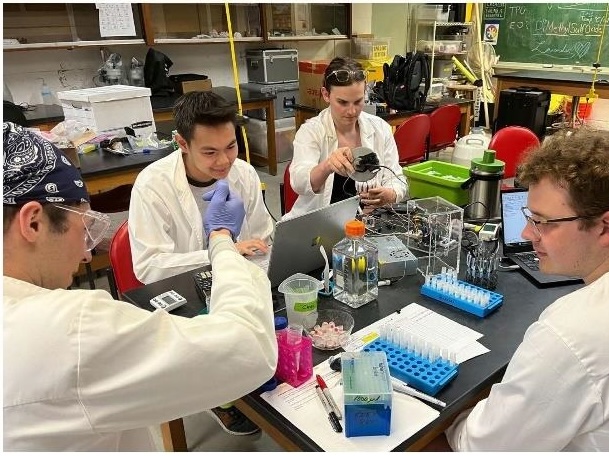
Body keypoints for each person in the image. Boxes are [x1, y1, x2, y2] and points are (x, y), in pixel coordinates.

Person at [2, 122, 278, 450]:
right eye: (85, 226)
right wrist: (221, 238)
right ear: (32, 222)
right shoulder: (69, 329)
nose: (87, 254)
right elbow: (247, 348)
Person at [442, 129, 609, 451]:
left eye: (544, 222)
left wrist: (457, 417)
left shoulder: (572, 335)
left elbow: (484, 446)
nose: (527, 232)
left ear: (606, 227)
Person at [127, 91, 273, 435]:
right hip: (181, 295)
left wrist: (248, 253)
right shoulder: (153, 185)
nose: (224, 161)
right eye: (209, 151)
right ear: (182, 143)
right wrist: (222, 251)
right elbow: (149, 267)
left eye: (231, 146)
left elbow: (265, 237)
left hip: (238, 283)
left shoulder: (245, 175)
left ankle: (247, 387)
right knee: (217, 355)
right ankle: (219, 399)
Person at [284, 56, 407, 220]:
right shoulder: (311, 131)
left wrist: (390, 194)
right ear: (326, 95)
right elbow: (299, 182)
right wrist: (327, 165)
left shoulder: (380, 128)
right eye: (342, 102)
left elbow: (396, 179)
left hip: (368, 223)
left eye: (358, 101)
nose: (351, 111)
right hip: (321, 224)